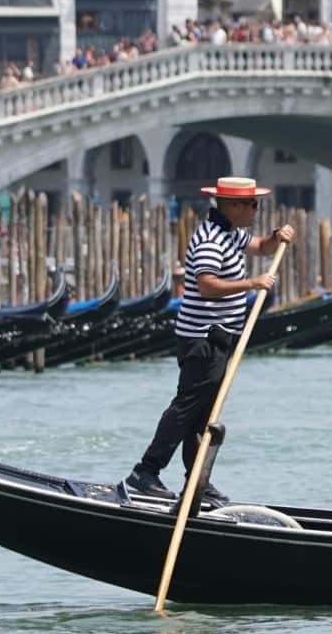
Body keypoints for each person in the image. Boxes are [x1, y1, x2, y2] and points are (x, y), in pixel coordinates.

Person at [124, 176, 295, 504]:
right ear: (234, 206)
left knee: (203, 415)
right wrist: (252, 284)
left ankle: (196, 482)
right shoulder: (210, 240)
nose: (256, 209)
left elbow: (262, 247)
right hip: (203, 339)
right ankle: (146, 471)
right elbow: (207, 286)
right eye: (252, 204)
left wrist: (277, 237)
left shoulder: (230, 233)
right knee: (187, 409)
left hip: (218, 338)